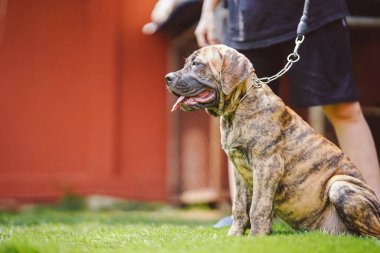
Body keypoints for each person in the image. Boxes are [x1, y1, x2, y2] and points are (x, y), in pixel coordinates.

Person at [195, 0, 380, 199]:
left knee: (344, 110)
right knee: (238, 114)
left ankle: (375, 206)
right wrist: (207, 11)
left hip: (314, 13)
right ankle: (242, 216)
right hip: (246, 21)